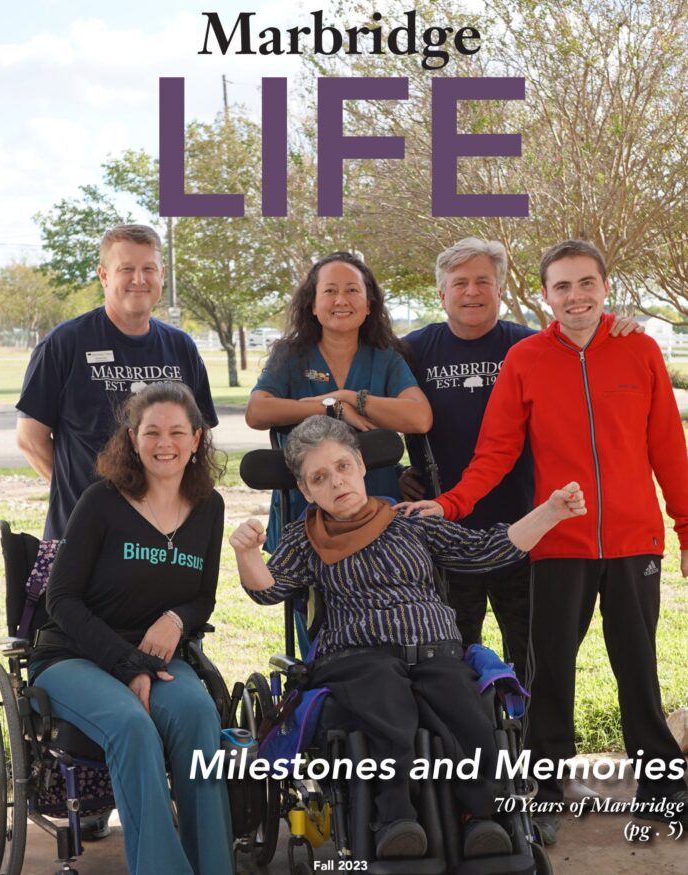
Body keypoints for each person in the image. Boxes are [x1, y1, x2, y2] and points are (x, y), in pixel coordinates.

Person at [403, 240, 688, 841]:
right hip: (558, 541)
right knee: (551, 670)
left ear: (605, 287)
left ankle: (664, 788)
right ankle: (546, 786)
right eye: (562, 287)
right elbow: (497, 453)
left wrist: (685, 528)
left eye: (585, 284)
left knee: (638, 668)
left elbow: (668, 448)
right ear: (545, 295)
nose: (575, 296)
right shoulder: (526, 359)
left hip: (636, 541)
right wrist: (450, 503)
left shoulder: (639, 350)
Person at [230, 415, 587, 860]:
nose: (336, 482)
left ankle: (482, 818)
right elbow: (270, 588)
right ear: (306, 491)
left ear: (360, 465)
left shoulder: (409, 522)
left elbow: (484, 552)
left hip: (435, 649)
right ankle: (395, 816)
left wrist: (550, 511)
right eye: (319, 477)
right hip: (358, 656)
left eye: (342, 466)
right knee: (387, 703)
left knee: (465, 709)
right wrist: (247, 553)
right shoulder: (306, 539)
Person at [400, 237, 645, 678]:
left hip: (526, 529)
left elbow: (586, 349)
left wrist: (617, 327)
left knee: (535, 658)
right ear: (442, 295)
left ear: (500, 289)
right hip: (445, 534)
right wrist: (398, 472)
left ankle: (525, 741)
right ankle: (469, 742)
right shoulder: (412, 351)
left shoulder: (532, 347)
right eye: (460, 283)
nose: (472, 291)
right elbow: (374, 416)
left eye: (483, 281)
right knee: (451, 656)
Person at [28, 382, 233, 875]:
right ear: (133, 438)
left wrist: (176, 619)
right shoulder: (102, 500)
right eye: (153, 432)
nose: (166, 443)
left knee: (198, 716)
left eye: (177, 432)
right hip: (74, 655)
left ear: (197, 438)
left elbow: (202, 596)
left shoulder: (210, 507)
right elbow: (61, 599)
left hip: (159, 657)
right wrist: (125, 665)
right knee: (131, 725)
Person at [16, 223, 217, 542]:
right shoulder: (64, 344)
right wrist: (88, 501)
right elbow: (30, 439)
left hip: (162, 534)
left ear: (162, 275)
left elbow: (198, 436)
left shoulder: (182, 348)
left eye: (148, 269)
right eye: (126, 269)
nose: (139, 279)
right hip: (82, 534)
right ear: (104, 275)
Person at [245, 251, 432, 552]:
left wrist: (348, 398)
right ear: (313, 305)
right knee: (308, 596)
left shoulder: (385, 358)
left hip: (375, 508)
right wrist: (330, 407)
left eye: (352, 290)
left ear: (369, 304)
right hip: (304, 511)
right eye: (330, 291)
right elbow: (257, 412)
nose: (341, 300)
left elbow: (420, 418)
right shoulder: (291, 355)